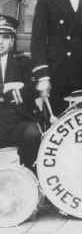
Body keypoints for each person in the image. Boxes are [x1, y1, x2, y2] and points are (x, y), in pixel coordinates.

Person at [0, 15, 41, 169]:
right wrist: (6, 88)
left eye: (5, 37)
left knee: (33, 133)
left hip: (18, 120)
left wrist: (18, 92)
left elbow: (33, 88)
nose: (0, 42)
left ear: (12, 40)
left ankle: (28, 173)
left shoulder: (24, 62)